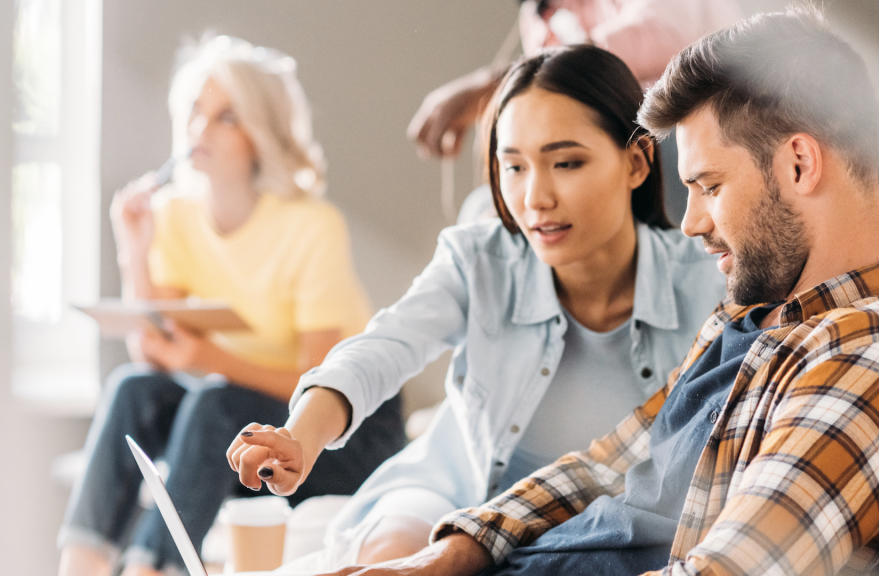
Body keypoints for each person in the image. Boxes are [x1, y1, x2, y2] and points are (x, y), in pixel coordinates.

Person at [228, 42, 879, 574]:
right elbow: (610, 465)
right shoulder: (758, 316)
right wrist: (448, 554)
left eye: (709, 186)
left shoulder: (871, 361)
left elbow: (729, 570)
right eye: (513, 166)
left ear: (800, 163)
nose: (690, 221)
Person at [229, 44, 728, 571]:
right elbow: (384, 347)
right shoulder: (479, 258)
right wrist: (298, 436)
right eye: (513, 166)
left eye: (566, 162)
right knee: (392, 559)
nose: (535, 197)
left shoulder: (706, 283)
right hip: (454, 492)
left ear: (636, 163)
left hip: (598, 520)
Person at [57, 36, 406, 576]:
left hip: (338, 433)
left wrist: (210, 360)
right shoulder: (174, 216)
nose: (200, 128)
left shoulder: (312, 227)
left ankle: (150, 569)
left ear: (259, 135)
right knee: (133, 389)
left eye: (225, 117)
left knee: (218, 402)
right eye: (196, 110)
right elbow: (155, 353)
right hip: (239, 424)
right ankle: (79, 566)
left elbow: (317, 382)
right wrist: (134, 248)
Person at [408, 0, 744, 223]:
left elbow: (666, 36)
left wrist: (495, 81)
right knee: (486, 212)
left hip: (718, 133)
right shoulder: (542, 15)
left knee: (659, 139)